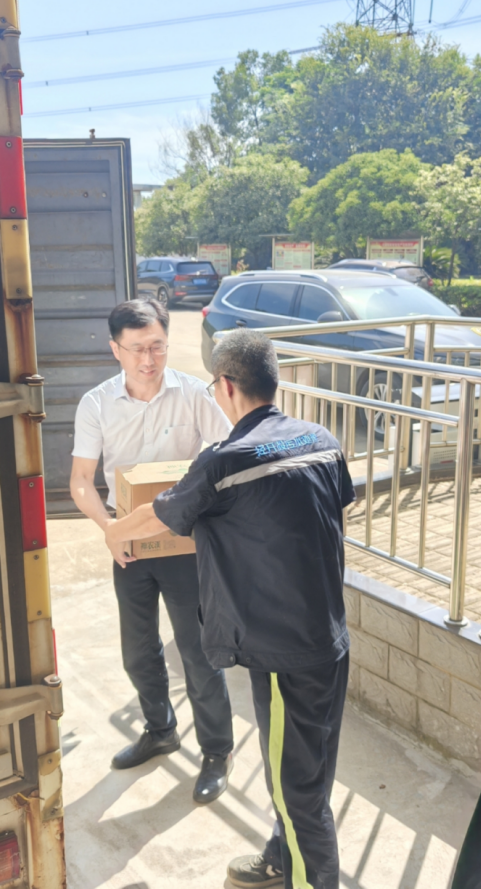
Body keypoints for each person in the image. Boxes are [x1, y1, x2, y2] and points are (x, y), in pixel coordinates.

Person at [106, 328, 355, 888]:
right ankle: (279, 858)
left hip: (286, 655)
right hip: (329, 639)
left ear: (225, 386)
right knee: (307, 773)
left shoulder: (224, 463)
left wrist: (114, 531)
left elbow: (162, 515)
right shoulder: (321, 439)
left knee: (298, 794)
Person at [70, 298, 234, 804]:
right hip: (130, 547)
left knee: (198, 653)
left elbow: (227, 458)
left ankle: (217, 751)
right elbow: (81, 481)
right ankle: (161, 729)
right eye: (137, 348)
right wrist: (109, 529)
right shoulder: (96, 403)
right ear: (115, 349)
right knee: (138, 652)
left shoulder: (194, 395)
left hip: (185, 544)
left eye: (158, 347)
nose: (149, 359)